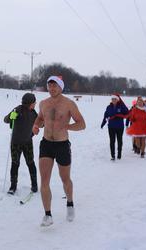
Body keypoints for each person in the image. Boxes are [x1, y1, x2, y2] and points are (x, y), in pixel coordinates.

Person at [32, 76, 86, 227]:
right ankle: (47, 215)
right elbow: (39, 119)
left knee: (65, 179)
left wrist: (67, 127)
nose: (51, 89)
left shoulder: (69, 104)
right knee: (44, 181)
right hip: (46, 144)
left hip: (62, 145)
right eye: (49, 86)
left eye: (54, 86)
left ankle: (69, 203)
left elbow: (82, 124)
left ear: (61, 87)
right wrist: (36, 126)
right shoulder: (43, 103)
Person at [4, 93, 38, 195]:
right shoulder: (18, 109)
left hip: (28, 142)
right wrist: (11, 116)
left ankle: (34, 185)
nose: (35, 104)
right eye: (34, 102)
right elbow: (5, 120)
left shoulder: (34, 113)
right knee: (15, 164)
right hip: (16, 143)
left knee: (30, 163)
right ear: (30, 103)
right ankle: (13, 186)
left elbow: (41, 123)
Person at [101, 94, 129, 160]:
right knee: (112, 141)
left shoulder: (121, 106)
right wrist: (103, 124)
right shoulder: (108, 107)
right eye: (112, 99)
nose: (113, 100)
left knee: (119, 141)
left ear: (117, 100)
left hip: (120, 127)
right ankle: (112, 156)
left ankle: (119, 154)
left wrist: (122, 107)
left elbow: (127, 112)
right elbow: (106, 116)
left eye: (115, 99)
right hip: (111, 127)